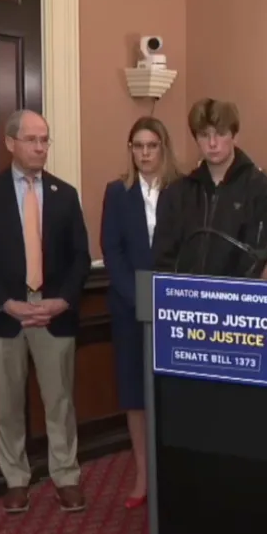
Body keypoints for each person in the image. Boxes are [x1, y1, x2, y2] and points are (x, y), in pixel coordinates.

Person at [0, 109, 91, 513]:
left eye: (45, 140)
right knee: (8, 403)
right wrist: (8, 303)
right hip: (6, 314)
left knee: (60, 402)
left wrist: (61, 300)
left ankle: (66, 476)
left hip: (55, 313)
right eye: (32, 139)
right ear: (10, 143)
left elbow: (81, 258)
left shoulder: (65, 194)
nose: (40, 147)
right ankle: (16, 479)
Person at [100, 116, 182, 509]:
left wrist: (169, 300)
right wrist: (137, 300)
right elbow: (111, 251)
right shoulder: (117, 192)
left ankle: (174, 475)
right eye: (138, 146)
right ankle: (142, 477)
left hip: (174, 307)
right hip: (130, 307)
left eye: (151, 146)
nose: (145, 153)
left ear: (163, 148)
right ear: (130, 149)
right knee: (135, 395)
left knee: (171, 393)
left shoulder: (182, 191)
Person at [151, 99, 267, 276]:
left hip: (239, 298)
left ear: (234, 135)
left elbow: (260, 258)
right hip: (185, 297)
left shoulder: (262, 191)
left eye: (220, 133)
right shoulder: (177, 193)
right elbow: (162, 259)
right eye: (204, 135)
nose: (212, 143)